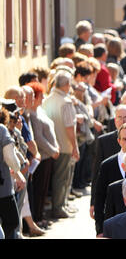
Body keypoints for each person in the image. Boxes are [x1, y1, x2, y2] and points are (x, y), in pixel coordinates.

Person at [41, 71, 80, 219]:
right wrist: (74, 146)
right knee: (62, 178)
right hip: (64, 145)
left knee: (59, 177)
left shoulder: (49, 99)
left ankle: (61, 205)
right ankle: (59, 207)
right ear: (66, 85)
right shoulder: (66, 101)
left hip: (52, 144)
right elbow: (69, 126)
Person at [27, 82, 60, 229]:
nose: (42, 98)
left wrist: (55, 147)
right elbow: (39, 138)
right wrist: (53, 150)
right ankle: (37, 217)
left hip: (49, 155)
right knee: (39, 189)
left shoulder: (40, 110)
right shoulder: (32, 115)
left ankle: (40, 215)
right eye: (40, 95)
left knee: (44, 189)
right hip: (44, 156)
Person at [0, 101, 25, 239]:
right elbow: (10, 157)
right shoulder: (1, 130)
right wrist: (17, 170)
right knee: (11, 222)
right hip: (2, 189)